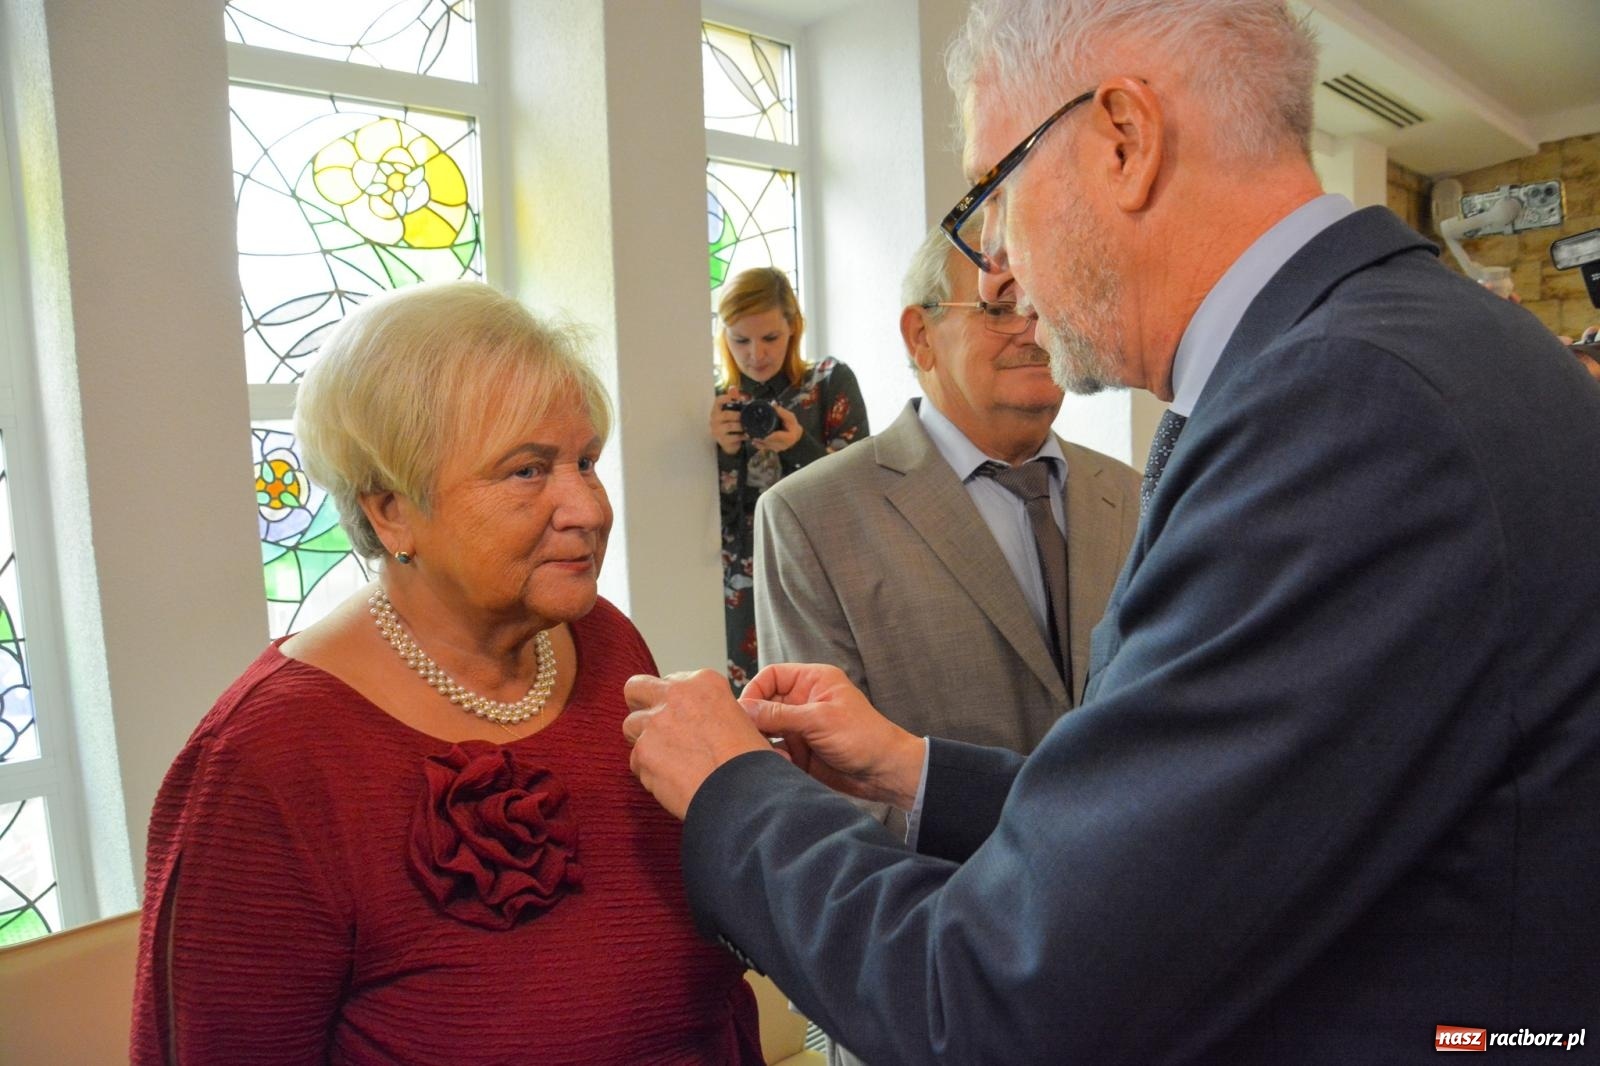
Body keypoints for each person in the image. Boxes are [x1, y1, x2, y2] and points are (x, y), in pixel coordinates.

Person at [622, 1, 1600, 1063]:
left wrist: (732, 787)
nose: (996, 261)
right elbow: (1216, 828)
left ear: (1124, 141)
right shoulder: (1435, 341)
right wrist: (914, 772)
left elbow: (1004, 1002)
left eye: (990, 194)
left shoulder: (1338, 410)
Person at [131, 282, 762, 1064]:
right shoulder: (268, 761)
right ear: (392, 509)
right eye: (529, 471)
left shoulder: (604, 643)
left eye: (587, 461)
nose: (589, 509)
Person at [756, 228, 1139, 1066]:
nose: (1033, 329)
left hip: (1138, 964)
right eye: (1002, 305)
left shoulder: (1135, 495)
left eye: (1049, 305)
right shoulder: (813, 514)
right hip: (941, 977)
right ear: (919, 335)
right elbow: (829, 791)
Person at [710, 267, 869, 691]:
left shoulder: (831, 382)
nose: (755, 354)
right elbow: (713, 524)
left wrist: (800, 444)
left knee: (824, 696)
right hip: (739, 585)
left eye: (770, 338)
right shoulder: (718, 403)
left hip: (819, 567)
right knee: (753, 706)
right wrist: (725, 455)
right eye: (740, 340)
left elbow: (859, 491)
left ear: (794, 329)